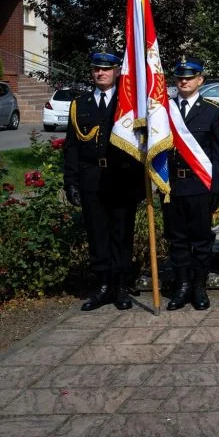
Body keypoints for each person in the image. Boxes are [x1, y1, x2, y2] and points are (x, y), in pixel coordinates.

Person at [63, 51, 145, 311]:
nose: (100, 73)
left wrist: (139, 184)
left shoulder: (128, 103)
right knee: (97, 234)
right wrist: (71, 182)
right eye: (96, 69)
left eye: (106, 69)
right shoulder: (80, 104)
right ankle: (103, 286)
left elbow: (141, 144)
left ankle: (120, 286)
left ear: (117, 71)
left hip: (122, 179)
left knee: (121, 234)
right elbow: (72, 147)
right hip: (91, 180)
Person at [164, 56, 219, 311]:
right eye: (180, 77)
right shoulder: (164, 109)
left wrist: (218, 188)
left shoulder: (212, 110)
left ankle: (199, 286)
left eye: (189, 77)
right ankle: (182, 286)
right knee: (177, 239)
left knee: (201, 240)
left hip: (200, 184)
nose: (184, 81)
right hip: (172, 186)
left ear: (200, 80)